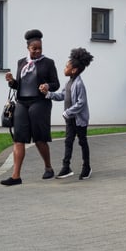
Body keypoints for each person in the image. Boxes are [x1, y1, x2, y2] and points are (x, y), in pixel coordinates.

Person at [1, 29, 60, 185]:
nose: (38, 51)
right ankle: (16, 176)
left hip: (40, 102)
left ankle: (48, 167)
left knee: (40, 139)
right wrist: (11, 81)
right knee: (19, 139)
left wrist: (47, 86)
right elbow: (19, 86)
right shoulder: (22, 62)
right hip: (22, 103)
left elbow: (56, 84)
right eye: (34, 49)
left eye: (40, 48)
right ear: (28, 48)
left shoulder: (48, 62)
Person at [41, 47, 94, 180]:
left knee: (82, 142)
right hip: (70, 120)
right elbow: (62, 96)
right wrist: (48, 94)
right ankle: (66, 167)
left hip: (79, 120)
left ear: (74, 70)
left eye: (66, 66)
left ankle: (86, 167)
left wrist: (67, 112)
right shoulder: (69, 82)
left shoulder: (79, 84)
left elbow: (81, 103)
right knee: (68, 142)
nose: (64, 68)